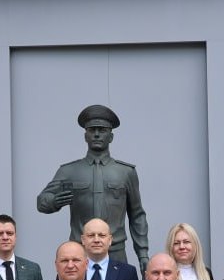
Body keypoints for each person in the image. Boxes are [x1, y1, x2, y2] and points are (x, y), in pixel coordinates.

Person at [37, 104, 150, 268]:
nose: (97, 134)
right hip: (79, 252)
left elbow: (137, 215)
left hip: (115, 252)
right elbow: (42, 201)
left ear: (111, 137)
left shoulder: (125, 172)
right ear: (85, 136)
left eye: (102, 130)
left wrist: (143, 254)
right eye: (92, 130)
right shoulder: (70, 171)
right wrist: (53, 202)